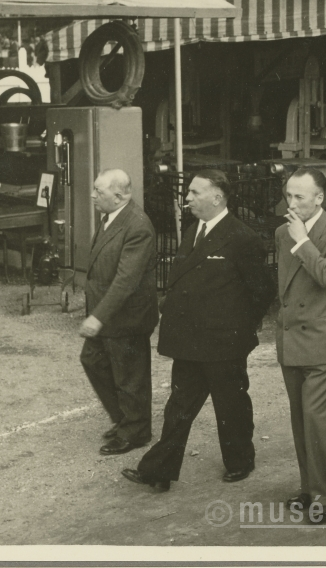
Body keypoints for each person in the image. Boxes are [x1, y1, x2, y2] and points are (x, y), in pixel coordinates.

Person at [123, 170, 275, 492]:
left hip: (224, 342)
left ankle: (240, 461)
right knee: (178, 407)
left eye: (195, 192)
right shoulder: (193, 231)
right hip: (190, 339)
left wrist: (240, 326)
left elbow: (262, 290)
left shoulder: (242, 237)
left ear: (217, 197)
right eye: (188, 192)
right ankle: (159, 471)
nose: (187, 198)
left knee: (230, 405)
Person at [275, 168, 326, 521]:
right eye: (288, 196)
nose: (291, 204)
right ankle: (309, 488)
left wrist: (301, 241)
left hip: (325, 338)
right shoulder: (283, 232)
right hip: (292, 336)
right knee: (300, 419)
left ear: (320, 198)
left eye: (300, 197)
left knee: (316, 419)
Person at [79, 169, 159, 455]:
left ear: (118, 196)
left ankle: (135, 431)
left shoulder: (137, 226)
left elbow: (126, 280)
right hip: (109, 313)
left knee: (129, 376)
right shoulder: (111, 217)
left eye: (98, 191)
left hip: (127, 318)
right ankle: (125, 419)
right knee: (93, 360)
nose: (92, 195)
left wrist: (97, 316)